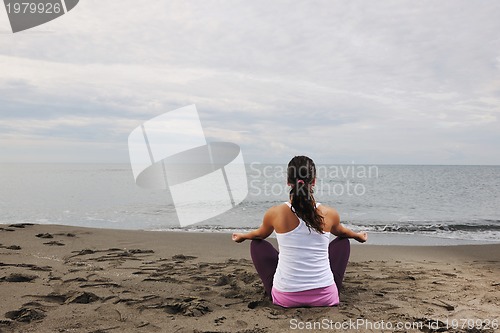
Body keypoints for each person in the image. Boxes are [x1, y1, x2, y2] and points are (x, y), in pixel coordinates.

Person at [232, 155, 367, 308]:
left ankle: (277, 290)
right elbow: (342, 232)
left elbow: (259, 235)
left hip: (286, 299)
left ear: (288, 182)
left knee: (256, 244)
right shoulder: (329, 213)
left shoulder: (276, 213)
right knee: (343, 241)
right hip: (325, 298)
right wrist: (358, 236)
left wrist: (243, 236)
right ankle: (330, 289)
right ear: (314, 181)